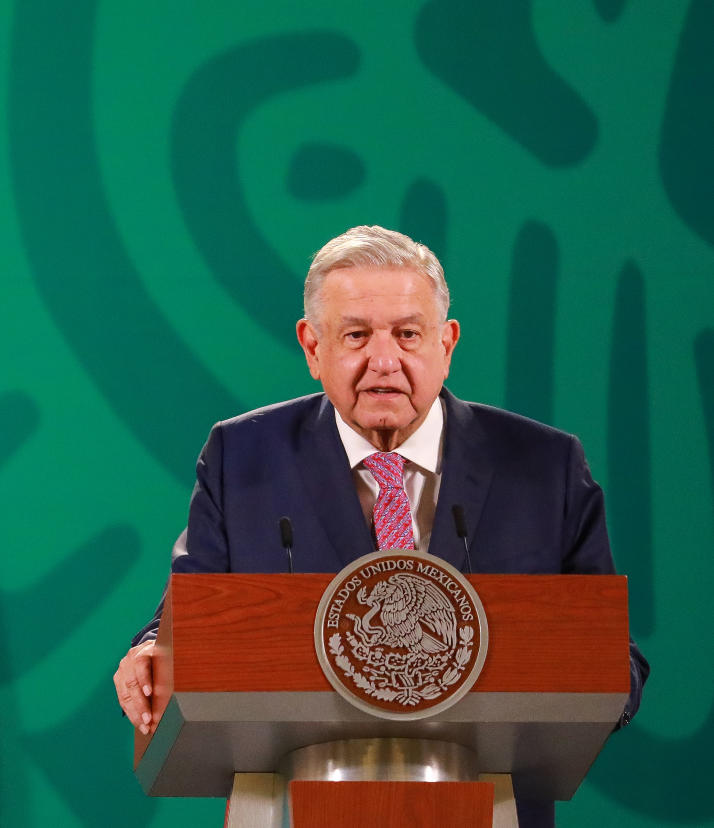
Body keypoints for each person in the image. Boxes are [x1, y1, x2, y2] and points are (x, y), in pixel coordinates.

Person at [113, 225, 648, 828]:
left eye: (408, 334)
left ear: (447, 344)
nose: (383, 361)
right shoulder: (242, 457)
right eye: (357, 336)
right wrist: (152, 653)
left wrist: (562, 677)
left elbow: (616, 662)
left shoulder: (545, 467)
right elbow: (187, 621)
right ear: (313, 347)